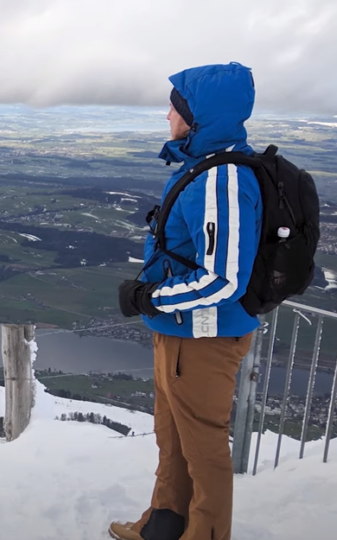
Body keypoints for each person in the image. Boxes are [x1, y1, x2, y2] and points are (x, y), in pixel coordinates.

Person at [111, 62, 262, 540]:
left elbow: (223, 281)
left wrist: (149, 297)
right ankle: (164, 524)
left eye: (175, 108)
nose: (166, 116)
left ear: (197, 117)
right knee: (172, 437)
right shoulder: (204, 168)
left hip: (204, 338)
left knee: (203, 447)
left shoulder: (224, 180)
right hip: (179, 333)